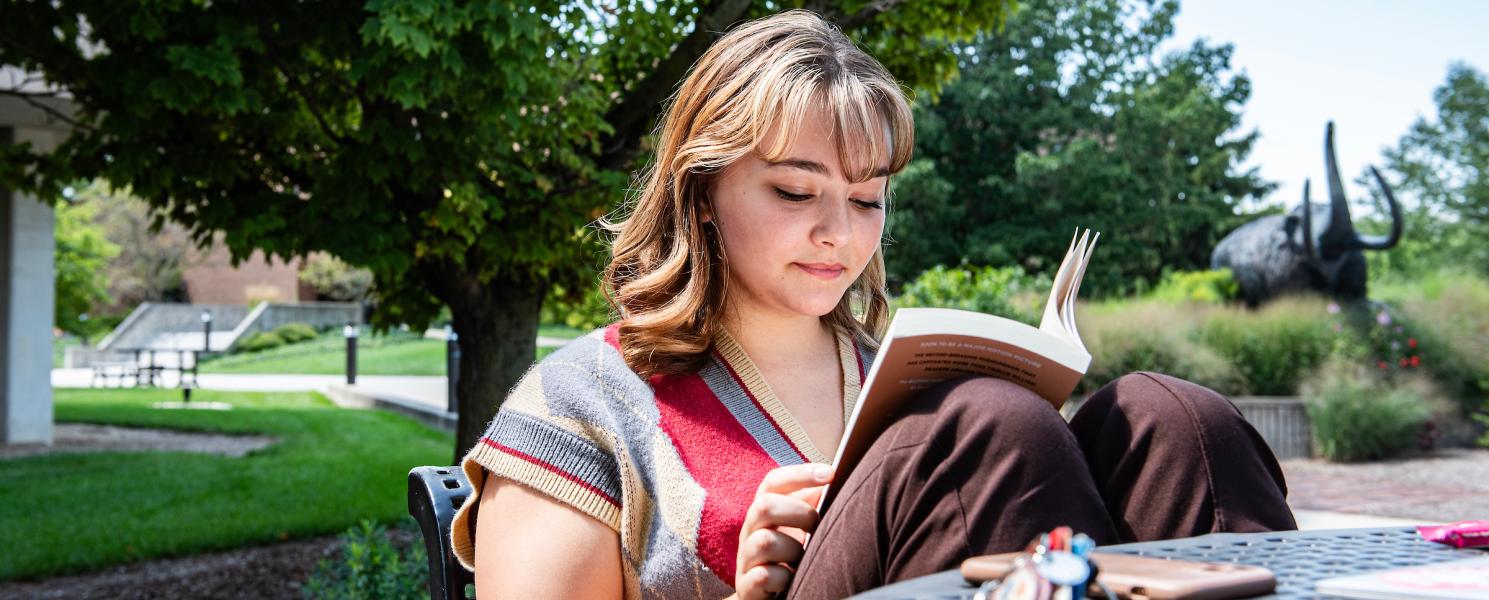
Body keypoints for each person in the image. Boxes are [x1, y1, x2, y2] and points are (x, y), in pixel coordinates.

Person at [449, 10, 1296, 600]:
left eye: (865, 200)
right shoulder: (579, 405)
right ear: (701, 190)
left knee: (1170, 417)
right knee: (988, 430)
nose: (836, 234)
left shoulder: (898, 373)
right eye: (794, 191)